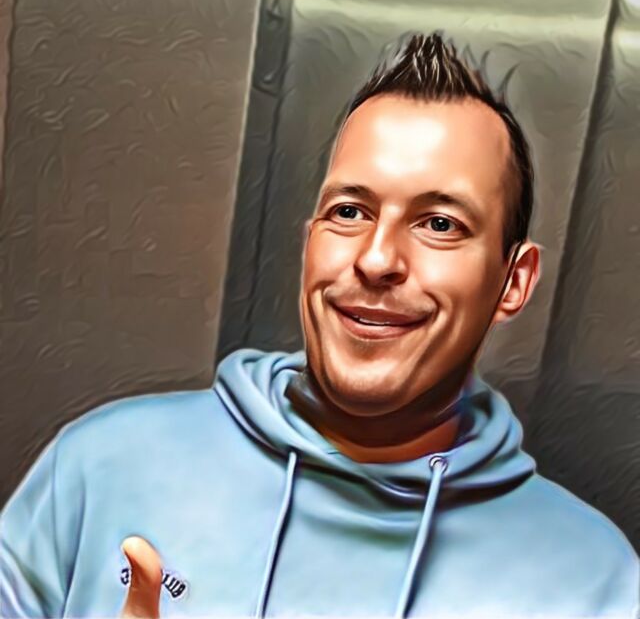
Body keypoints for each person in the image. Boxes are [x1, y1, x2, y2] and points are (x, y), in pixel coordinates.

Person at [1, 32, 638, 619]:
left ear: (514, 281)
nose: (377, 259)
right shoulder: (100, 467)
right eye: (350, 211)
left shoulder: (595, 584)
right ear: (310, 242)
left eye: (440, 224)